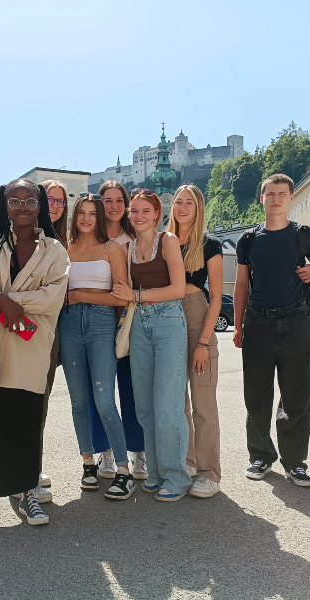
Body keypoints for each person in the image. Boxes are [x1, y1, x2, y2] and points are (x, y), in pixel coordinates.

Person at [0, 178, 69, 530]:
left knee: (27, 419)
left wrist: (5, 302)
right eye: (14, 201)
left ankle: (27, 490)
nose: (22, 207)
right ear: (4, 206)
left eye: (30, 201)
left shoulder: (54, 250)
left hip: (32, 347)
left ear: (40, 206)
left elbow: (52, 298)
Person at [233, 174, 310, 488]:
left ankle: (295, 462)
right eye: (270, 193)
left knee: (298, 393)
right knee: (256, 393)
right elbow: (241, 283)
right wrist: (238, 324)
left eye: (282, 193)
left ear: (291, 197)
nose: (276, 199)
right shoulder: (248, 240)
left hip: (297, 320)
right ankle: (260, 456)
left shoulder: (304, 236)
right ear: (262, 199)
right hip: (257, 322)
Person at [112, 189, 190, 502]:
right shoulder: (127, 248)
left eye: (146, 211)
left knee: (168, 405)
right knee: (145, 405)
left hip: (168, 321)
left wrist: (137, 296)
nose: (139, 216)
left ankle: (177, 476)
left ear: (156, 214)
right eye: (134, 211)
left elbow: (179, 289)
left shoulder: (168, 241)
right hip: (139, 326)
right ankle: (156, 473)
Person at [60, 193, 135, 500]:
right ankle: (88, 463)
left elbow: (122, 297)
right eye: (82, 213)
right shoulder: (64, 250)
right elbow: (60, 295)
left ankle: (123, 470)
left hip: (102, 323)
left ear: (100, 217)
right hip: (69, 324)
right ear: (74, 217)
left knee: (105, 401)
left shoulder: (112, 248)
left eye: (93, 213)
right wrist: (77, 297)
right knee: (78, 401)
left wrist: (81, 295)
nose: (87, 218)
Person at [167, 184, 223, 499]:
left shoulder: (209, 245)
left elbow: (216, 297)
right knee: (179, 403)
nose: (182, 207)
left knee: (203, 402)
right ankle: (187, 463)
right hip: (167, 316)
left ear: (199, 208)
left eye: (189, 202)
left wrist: (203, 341)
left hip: (197, 315)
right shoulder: (166, 242)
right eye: (178, 201)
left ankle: (209, 473)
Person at [88, 181, 147, 481]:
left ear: (125, 204)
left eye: (118, 200)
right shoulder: (90, 236)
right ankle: (106, 453)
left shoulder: (135, 237)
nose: (113, 206)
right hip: (96, 322)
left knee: (131, 387)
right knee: (99, 391)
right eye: (106, 200)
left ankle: (138, 452)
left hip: (128, 322)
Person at [34, 179, 69, 501]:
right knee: (20, 400)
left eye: (60, 200)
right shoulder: (23, 234)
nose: (55, 205)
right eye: (49, 199)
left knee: (40, 400)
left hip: (53, 332)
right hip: (21, 329)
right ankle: (20, 469)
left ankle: (33, 464)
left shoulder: (65, 241)